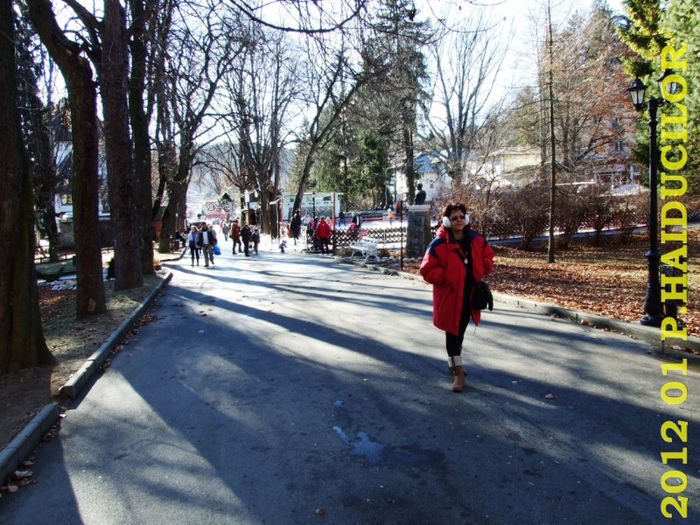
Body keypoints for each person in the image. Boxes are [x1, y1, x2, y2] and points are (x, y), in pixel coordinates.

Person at [419, 203, 494, 393]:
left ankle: (454, 362)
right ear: (446, 221)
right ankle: (457, 372)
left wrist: (482, 266)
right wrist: (445, 277)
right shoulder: (437, 244)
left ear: (466, 218)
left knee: (460, 330)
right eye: (454, 218)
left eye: (462, 216)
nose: (459, 220)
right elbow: (426, 270)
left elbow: (488, 257)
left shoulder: (476, 239)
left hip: (470, 295)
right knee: (452, 332)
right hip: (450, 296)